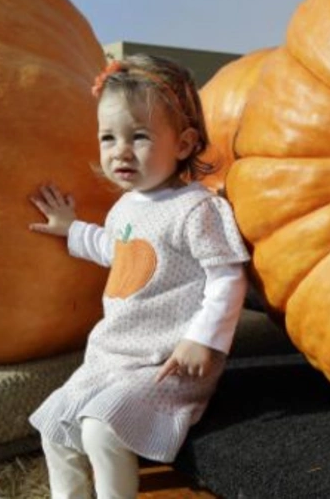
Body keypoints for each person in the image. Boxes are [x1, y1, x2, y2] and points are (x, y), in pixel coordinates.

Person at [28, 54, 250, 499]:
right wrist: (73, 229)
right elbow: (119, 251)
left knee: (100, 429)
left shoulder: (196, 209)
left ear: (184, 144)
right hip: (113, 357)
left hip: (169, 363)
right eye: (108, 137)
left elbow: (227, 277)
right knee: (55, 424)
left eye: (140, 136)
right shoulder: (126, 206)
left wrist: (202, 339)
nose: (120, 151)